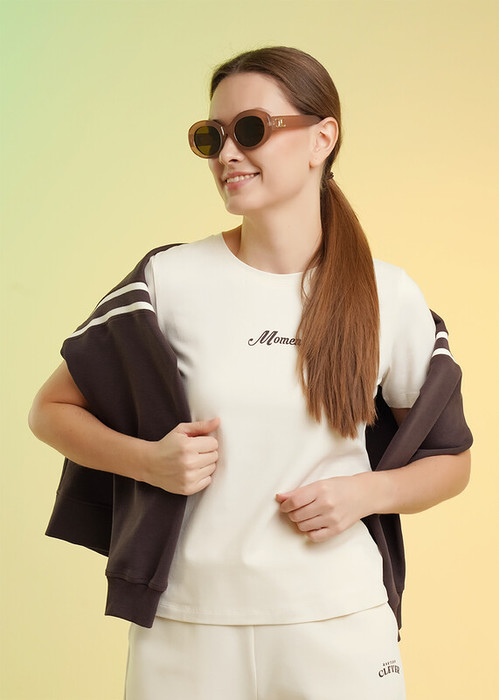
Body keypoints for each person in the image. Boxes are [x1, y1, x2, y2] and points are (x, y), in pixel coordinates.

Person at [29, 46, 472, 700]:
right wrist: (149, 462)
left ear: (322, 138)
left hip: (338, 619)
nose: (227, 155)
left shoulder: (387, 295)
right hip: (186, 625)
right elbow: (50, 411)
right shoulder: (169, 280)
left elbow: (451, 459)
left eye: (251, 129)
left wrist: (364, 493)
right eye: (212, 137)